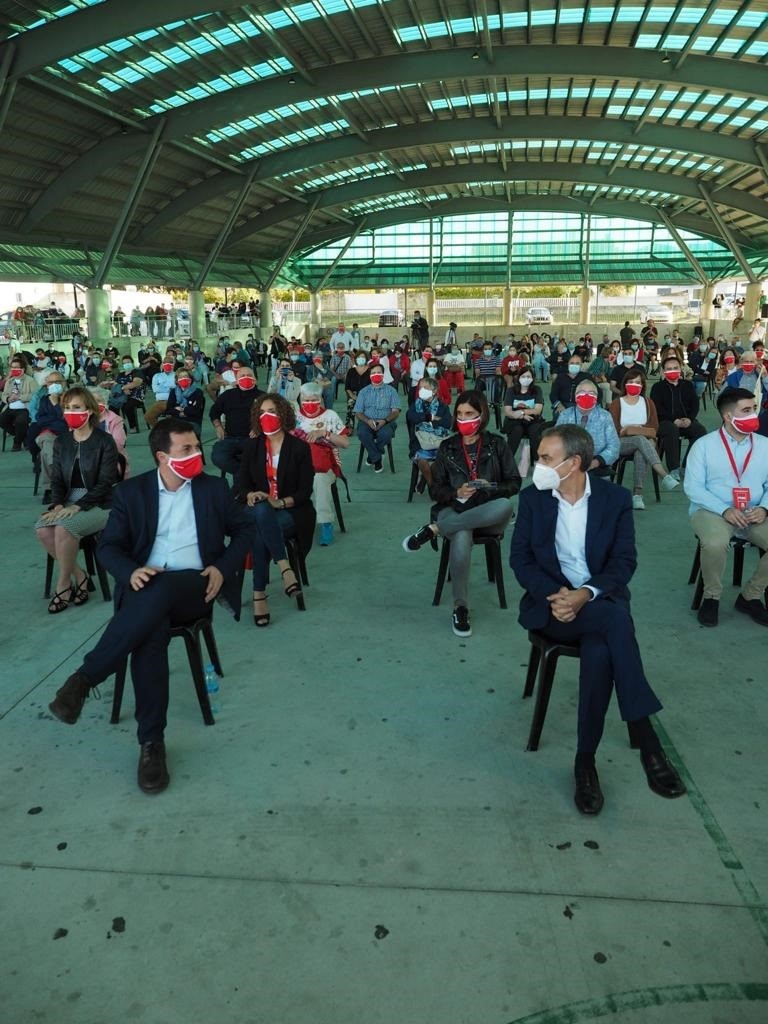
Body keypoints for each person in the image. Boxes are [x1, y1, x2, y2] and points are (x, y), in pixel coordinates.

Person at [46, 417, 252, 793]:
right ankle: (151, 744)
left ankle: (85, 678)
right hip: (146, 588)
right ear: (162, 456)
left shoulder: (213, 489)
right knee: (150, 629)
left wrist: (222, 567)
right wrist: (131, 572)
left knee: (159, 594)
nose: (197, 454)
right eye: (186, 449)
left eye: (197, 446)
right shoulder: (133, 493)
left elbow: (243, 530)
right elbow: (109, 547)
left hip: (196, 586)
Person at [509, 424, 685, 814]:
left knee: (601, 649)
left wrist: (586, 593)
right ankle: (646, 739)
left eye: (545, 458)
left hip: (597, 601)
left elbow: (624, 562)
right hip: (552, 608)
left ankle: (584, 762)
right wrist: (557, 596)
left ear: (573, 463)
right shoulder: (533, 500)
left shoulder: (614, 499)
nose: (537, 465)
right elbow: (520, 560)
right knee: (616, 624)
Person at [402, 391, 521, 638]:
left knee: (505, 507)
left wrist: (490, 487)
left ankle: (434, 529)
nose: (463, 418)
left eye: (470, 414)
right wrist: (457, 491)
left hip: (487, 512)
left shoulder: (497, 444)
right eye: (459, 414)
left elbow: (514, 482)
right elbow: (436, 489)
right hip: (455, 508)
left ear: (482, 416)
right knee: (462, 533)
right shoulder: (447, 447)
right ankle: (460, 606)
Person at [683, 388, 768, 628]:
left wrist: (764, 508)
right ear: (729, 417)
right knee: (714, 542)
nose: (755, 414)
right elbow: (693, 488)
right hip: (711, 510)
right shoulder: (704, 446)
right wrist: (724, 510)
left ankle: (750, 595)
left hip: (753, 513)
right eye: (747, 410)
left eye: (755, 409)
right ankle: (711, 597)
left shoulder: (764, 445)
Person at [35, 388, 119, 614]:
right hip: (69, 501)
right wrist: (59, 504)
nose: (71, 412)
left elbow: (105, 483)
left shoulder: (105, 441)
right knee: (43, 530)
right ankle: (80, 576)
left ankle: (63, 585)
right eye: (67, 408)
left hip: (100, 504)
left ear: (90, 410)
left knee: (63, 528)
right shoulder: (62, 441)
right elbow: (56, 480)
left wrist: (77, 506)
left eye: (76, 408)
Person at [236, 394, 315, 626]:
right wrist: (250, 494)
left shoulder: (299, 448)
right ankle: (285, 567)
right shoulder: (253, 445)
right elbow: (240, 484)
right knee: (261, 512)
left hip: (290, 509)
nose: (266, 417)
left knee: (260, 529)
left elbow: (305, 491)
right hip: (255, 507)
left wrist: (279, 502)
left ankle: (258, 593)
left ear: (283, 414)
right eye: (261, 413)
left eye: (271, 411)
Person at [607, 370, 680, 509]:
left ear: (642, 385)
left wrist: (638, 429)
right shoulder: (617, 403)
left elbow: (654, 426)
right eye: (631, 382)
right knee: (640, 440)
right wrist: (628, 430)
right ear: (625, 384)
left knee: (640, 451)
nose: (634, 385)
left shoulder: (647, 402)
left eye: (638, 382)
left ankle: (637, 495)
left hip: (644, 442)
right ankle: (663, 475)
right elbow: (613, 429)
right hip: (621, 442)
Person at [293, 382, 350, 546]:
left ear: (320, 399)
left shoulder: (330, 416)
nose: (309, 404)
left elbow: (345, 443)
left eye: (314, 400)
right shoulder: (294, 416)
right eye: (306, 400)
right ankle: (291, 521)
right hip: (298, 465)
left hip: (324, 466)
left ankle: (325, 522)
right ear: (300, 399)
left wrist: (324, 433)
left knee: (318, 479)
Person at [649, 354, 707, 479]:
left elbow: (695, 404)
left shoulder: (687, 385)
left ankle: (687, 466)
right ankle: (674, 468)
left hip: (685, 421)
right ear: (663, 371)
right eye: (669, 369)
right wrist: (673, 420)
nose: (673, 371)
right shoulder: (658, 387)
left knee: (700, 431)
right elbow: (657, 408)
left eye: (675, 367)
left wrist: (689, 419)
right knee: (671, 429)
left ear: (681, 369)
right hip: (665, 422)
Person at [555, 380, 619, 475]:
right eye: (582, 392)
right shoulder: (565, 415)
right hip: (568, 464)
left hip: (596, 464)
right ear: (575, 396)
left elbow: (614, 447)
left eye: (591, 393)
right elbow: (555, 442)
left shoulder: (605, 416)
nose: (586, 396)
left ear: (596, 398)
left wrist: (595, 463)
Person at [210, 366, 263, 479]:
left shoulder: (263, 397)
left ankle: (241, 486)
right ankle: (245, 476)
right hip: (230, 438)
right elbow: (214, 411)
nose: (246, 378)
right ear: (236, 380)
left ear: (255, 379)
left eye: (249, 375)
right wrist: (218, 426)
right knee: (218, 457)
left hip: (254, 439)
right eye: (242, 376)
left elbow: (272, 417)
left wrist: (260, 427)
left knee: (258, 459)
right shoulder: (228, 395)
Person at [27, 369, 68, 502]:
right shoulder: (45, 399)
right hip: (49, 433)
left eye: (58, 382)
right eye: (51, 382)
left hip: (69, 433)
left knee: (47, 452)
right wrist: (57, 419)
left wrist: (56, 403)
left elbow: (67, 420)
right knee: (48, 449)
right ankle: (51, 488)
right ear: (47, 384)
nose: (55, 384)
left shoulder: (72, 397)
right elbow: (40, 419)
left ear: (64, 382)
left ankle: (54, 487)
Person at [405, 377, 452, 489]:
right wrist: (431, 417)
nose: (422, 390)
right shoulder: (416, 405)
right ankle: (433, 486)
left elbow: (447, 423)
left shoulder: (442, 406)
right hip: (420, 442)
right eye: (420, 387)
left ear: (434, 391)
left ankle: (424, 479)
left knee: (442, 460)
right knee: (422, 461)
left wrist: (429, 420)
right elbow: (411, 417)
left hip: (439, 441)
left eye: (425, 388)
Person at [354, 363, 401, 472]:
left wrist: (385, 421)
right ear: (369, 375)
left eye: (379, 372)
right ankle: (377, 458)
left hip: (386, 421)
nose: (376, 375)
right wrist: (367, 420)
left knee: (386, 434)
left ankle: (372, 456)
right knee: (361, 433)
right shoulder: (363, 392)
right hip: (366, 421)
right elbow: (358, 412)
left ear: (383, 374)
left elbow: (396, 411)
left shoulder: (391, 391)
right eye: (373, 373)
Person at [502, 367, 545, 466]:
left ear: (532, 378)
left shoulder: (537, 390)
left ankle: (537, 461)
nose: (526, 378)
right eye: (523, 376)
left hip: (533, 419)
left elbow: (537, 410)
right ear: (519, 377)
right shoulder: (511, 391)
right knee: (516, 430)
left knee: (535, 431)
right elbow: (508, 411)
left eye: (528, 376)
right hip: (514, 420)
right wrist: (522, 415)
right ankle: (506, 461)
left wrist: (521, 412)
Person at [1, 353, 38, 450]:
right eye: (12, 367)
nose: (14, 369)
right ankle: (24, 436)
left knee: (20, 422)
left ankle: (17, 442)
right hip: (10, 408)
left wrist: (20, 397)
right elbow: (3, 395)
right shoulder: (10, 381)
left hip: (24, 408)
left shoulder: (30, 380)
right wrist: (8, 399)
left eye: (16, 367)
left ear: (23, 369)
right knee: (2, 420)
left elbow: (36, 396)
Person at [165, 367, 205, 436]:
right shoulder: (173, 392)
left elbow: (196, 411)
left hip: (192, 421)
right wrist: (183, 412)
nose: (183, 379)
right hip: (176, 421)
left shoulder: (197, 392)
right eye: (180, 377)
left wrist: (181, 409)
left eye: (185, 376)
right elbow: (169, 410)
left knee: (181, 433)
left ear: (190, 379)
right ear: (177, 380)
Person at [144, 358, 177, 429]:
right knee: (148, 416)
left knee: (171, 417)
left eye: (170, 362)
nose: (167, 364)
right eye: (165, 363)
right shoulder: (157, 376)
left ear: (174, 364)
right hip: (159, 402)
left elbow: (176, 389)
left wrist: (162, 386)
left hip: (173, 401)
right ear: (162, 364)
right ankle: (161, 429)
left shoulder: (177, 375)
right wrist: (170, 387)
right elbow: (155, 389)